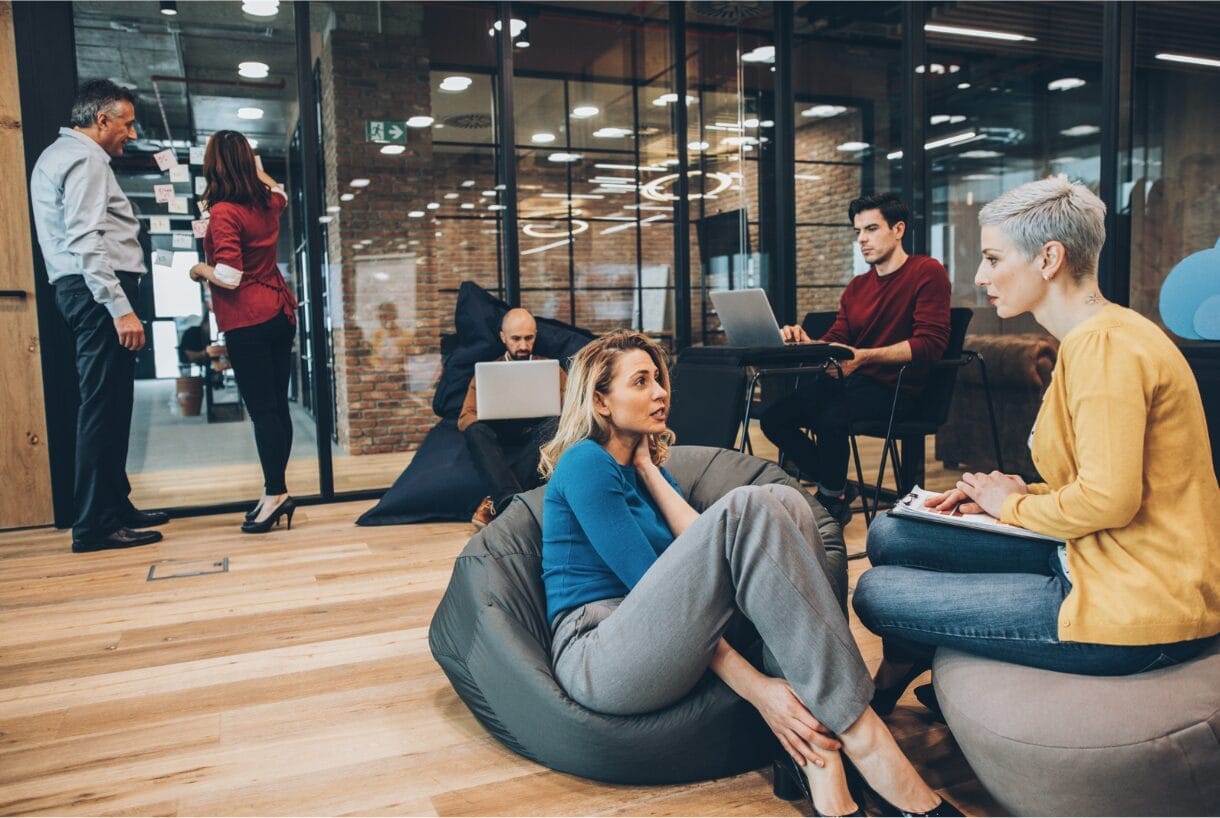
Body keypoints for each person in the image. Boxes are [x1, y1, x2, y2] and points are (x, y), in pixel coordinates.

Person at [539, 330, 961, 818]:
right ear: (601, 401)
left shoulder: (644, 465)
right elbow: (657, 587)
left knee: (783, 501)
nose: (660, 392)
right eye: (640, 382)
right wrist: (761, 692)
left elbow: (705, 551)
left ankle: (819, 763)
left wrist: (649, 469)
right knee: (750, 505)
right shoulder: (585, 464)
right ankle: (864, 738)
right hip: (601, 652)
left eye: (658, 379)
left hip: (661, 635)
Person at [853, 177, 1220, 717]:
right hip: (1094, 549)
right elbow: (1102, 479)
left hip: (1137, 599)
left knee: (875, 593)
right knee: (892, 530)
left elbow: (1109, 500)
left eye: (994, 259)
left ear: (1049, 257)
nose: (980, 277)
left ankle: (904, 661)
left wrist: (1013, 507)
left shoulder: (1107, 349)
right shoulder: (1094, 336)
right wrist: (1019, 492)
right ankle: (913, 656)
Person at [30, 79, 170, 553]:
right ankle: (94, 525)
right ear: (102, 119)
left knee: (112, 405)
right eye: (126, 123)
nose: (130, 133)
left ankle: (115, 505)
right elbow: (87, 241)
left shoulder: (59, 155)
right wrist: (120, 308)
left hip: (83, 292)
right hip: (95, 294)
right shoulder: (86, 158)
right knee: (102, 408)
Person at [760, 193, 950, 525]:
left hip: (896, 388)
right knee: (773, 418)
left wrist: (864, 358)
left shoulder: (926, 272)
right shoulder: (857, 286)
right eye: (857, 230)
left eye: (872, 228)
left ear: (898, 229)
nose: (862, 239)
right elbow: (838, 339)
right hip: (853, 383)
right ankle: (839, 487)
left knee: (829, 417)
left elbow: (930, 344)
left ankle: (832, 499)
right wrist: (808, 342)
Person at [188, 130, 299, 534]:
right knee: (277, 408)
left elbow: (230, 277)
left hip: (248, 319)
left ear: (214, 163)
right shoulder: (267, 202)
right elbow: (282, 192)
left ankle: (275, 494)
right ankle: (277, 491)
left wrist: (198, 270)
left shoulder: (224, 212)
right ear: (247, 163)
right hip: (280, 312)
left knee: (262, 411)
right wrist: (262, 172)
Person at [459, 308, 566, 528]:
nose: (523, 346)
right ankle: (513, 506)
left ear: (536, 335)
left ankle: (498, 504)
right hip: (499, 436)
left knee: (556, 424)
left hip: (537, 436)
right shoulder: (487, 373)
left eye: (529, 338)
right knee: (474, 430)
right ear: (503, 337)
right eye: (516, 339)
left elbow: (572, 411)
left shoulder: (552, 370)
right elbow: (465, 417)